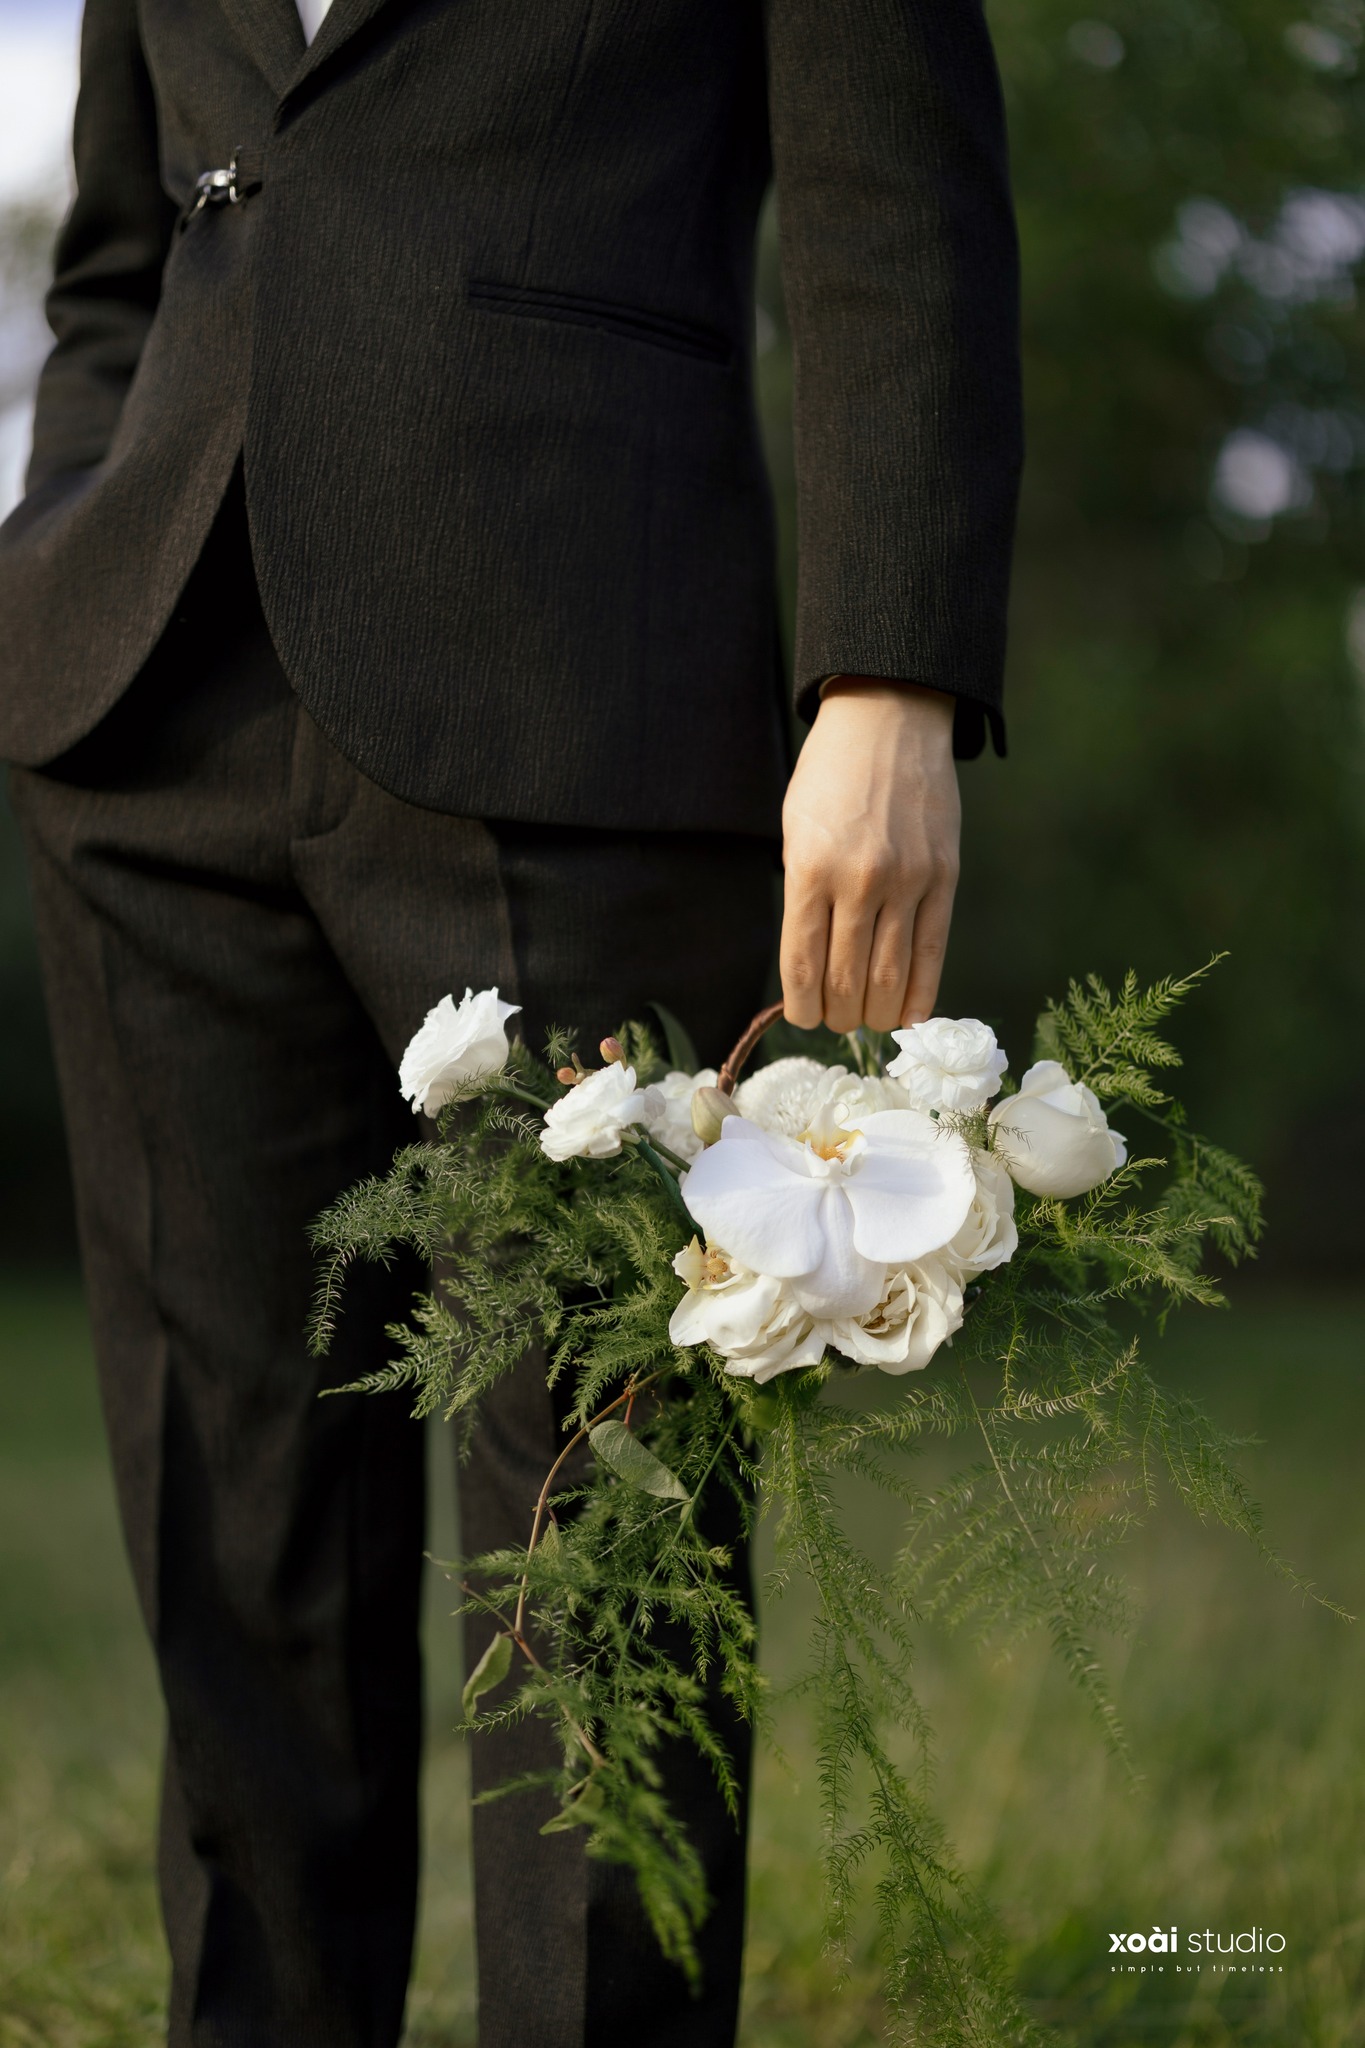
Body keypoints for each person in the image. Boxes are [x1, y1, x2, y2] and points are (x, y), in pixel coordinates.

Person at [0, 0, 1021, 2041]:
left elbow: (887, 195)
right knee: (237, 1540)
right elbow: (128, 237)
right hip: (146, 715)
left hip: (580, 687)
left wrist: (885, 677)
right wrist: (58, 554)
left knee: (605, 1567)